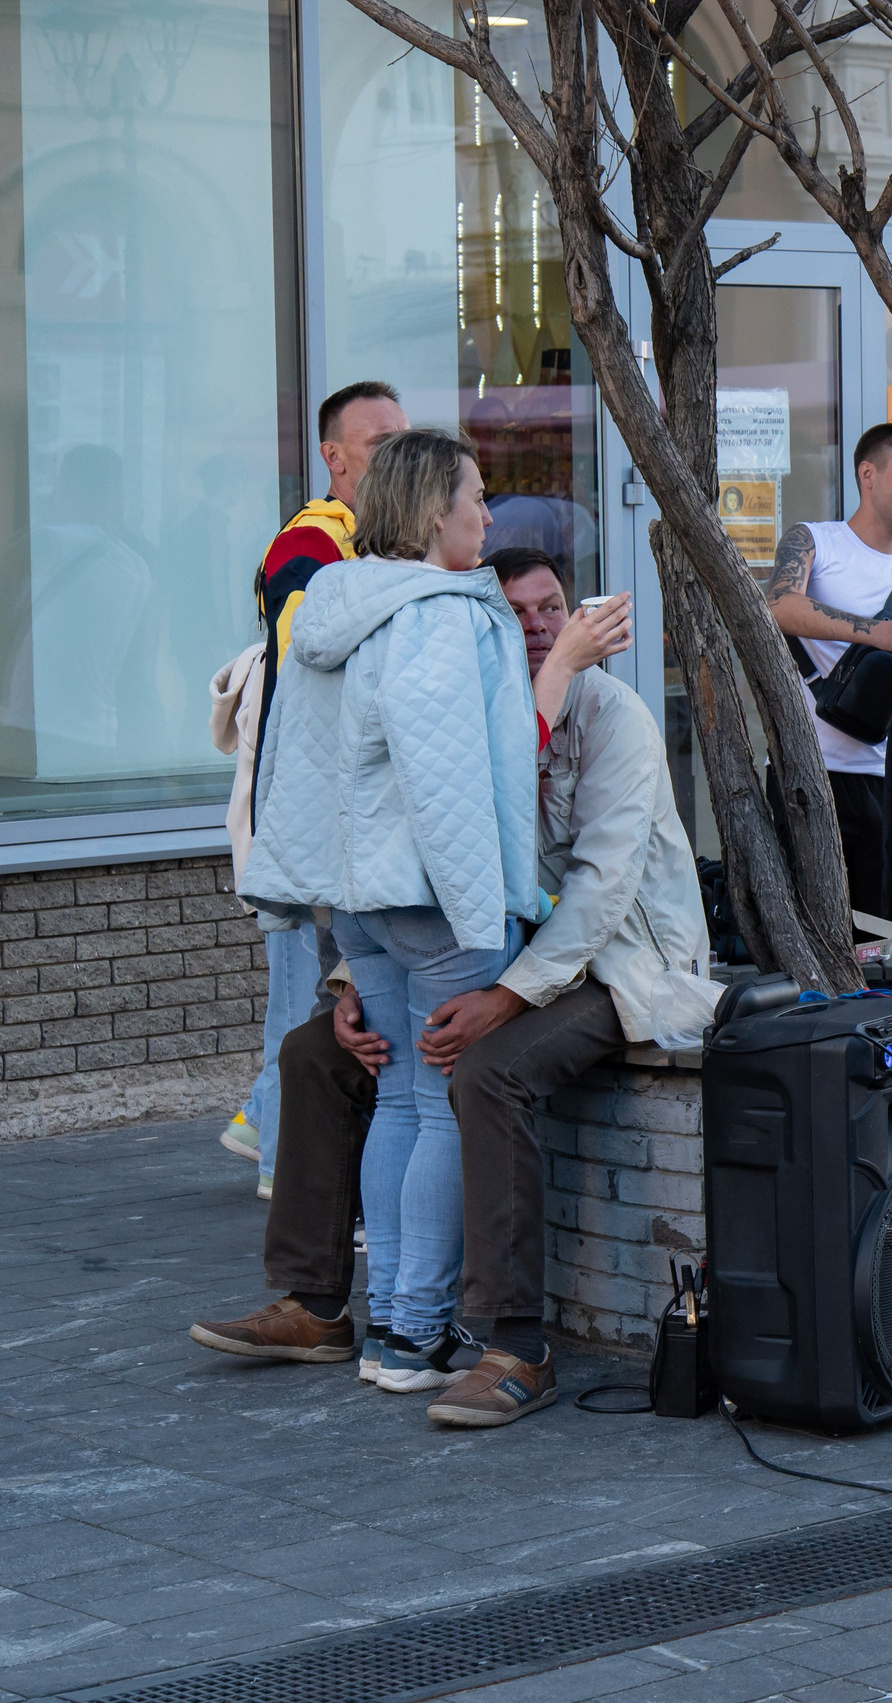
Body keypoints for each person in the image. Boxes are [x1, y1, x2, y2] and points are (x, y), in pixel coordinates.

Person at [236, 429, 547, 1396]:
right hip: (432, 894)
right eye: (475, 497)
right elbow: (446, 778)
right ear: (429, 511)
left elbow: (295, 765)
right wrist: (485, 913)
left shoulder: (334, 605)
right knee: (437, 1104)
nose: (488, 516)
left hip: (358, 902)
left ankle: (385, 1332)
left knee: (402, 1098)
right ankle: (411, 1333)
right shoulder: (440, 615)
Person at [219, 380, 410, 1191]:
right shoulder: (311, 547)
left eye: (403, 440)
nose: (396, 457)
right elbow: (316, 657)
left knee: (321, 988)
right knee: (305, 992)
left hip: (332, 812)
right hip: (304, 815)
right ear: (333, 457)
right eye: (377, 445)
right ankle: (280, 1158)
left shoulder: (369, 540)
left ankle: (266, 1124)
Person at [762, 422, 892, 919]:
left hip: (891, 785)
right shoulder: (815, 541)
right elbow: (776, 606)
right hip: (808, 775)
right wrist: (874, 631)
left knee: (887, 942)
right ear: (868, 475)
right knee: (814, 932)